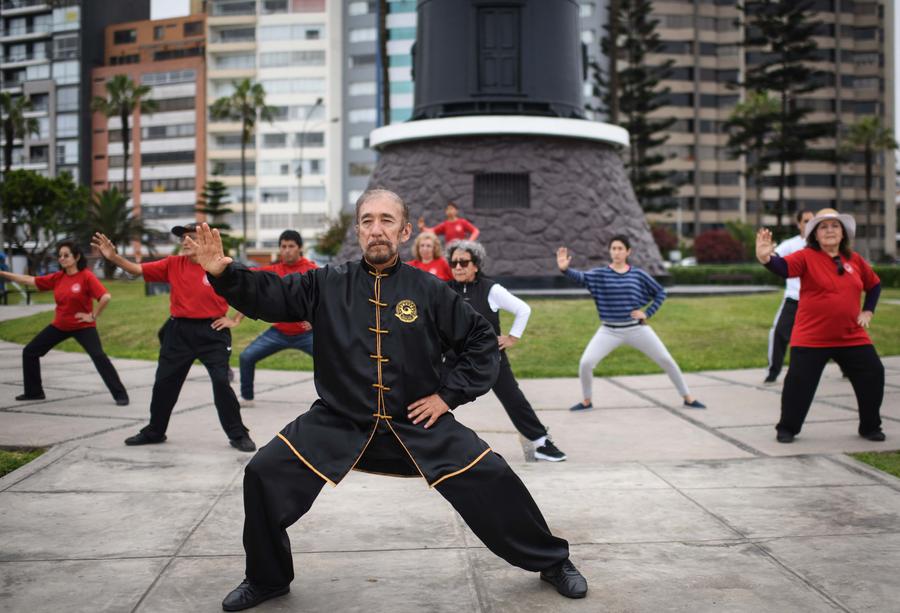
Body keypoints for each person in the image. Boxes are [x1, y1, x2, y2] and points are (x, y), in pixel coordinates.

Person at [189, 188, 587, 611]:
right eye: (367, 221)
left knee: (493, 476)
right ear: (358, 230)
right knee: (264, 472)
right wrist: (224, 273)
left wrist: (447, 396)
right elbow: (270, 294)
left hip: (417, 423)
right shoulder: (325, 283)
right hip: (339, 420)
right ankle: (267, 578)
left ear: (404, 231)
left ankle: (552, 560)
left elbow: (480, 341)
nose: (376, 230)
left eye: (386, 220)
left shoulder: (430, 290)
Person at [91, 223, 256, 452]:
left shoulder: (220, 265)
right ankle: (155, 431)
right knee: (164, 383)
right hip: (179, 332)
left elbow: (248, 293)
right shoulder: (172, 264)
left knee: (221, 381)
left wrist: (234, 320)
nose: (186, 241)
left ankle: (238, 434)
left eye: (192, 237)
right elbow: (136, 269)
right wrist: (114, 257)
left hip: (213, 332)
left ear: (205, 241)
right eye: (183, 238)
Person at [755, 208, 884, 443]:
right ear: (814, 234)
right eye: (823, 227)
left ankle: (870, 427)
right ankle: (787, 428)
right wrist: (766, 257)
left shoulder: (854, 260)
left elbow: (874, 285)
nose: (830, 230)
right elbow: (782, 268)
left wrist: (868, 310)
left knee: (873, 374)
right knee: (798, 385)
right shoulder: (806, 256)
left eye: (835, 226)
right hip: (812, 338)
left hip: (851, 336)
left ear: (843, 233)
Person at [446, 240, 567, 462]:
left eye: (463, 262)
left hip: (489, 358)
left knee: (514, 399)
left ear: (476, 264)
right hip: (456, 359)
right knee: (432, 396)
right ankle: (418, 442)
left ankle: (541, 442)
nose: (458, 267)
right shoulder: (445, 289)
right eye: (453, 263)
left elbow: (523, 309)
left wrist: (512, 337)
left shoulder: (491, 289)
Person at [558, 235, 705, 411]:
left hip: (637, 329)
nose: (617, 252)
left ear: (628, 252)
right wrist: (565, 270)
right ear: (610, 251)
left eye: (620, 248)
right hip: (609, 331)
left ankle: (688, 397)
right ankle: (587, 401)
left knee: (666, 360)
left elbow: (660, 293)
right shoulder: (600, 274)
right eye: (613, 248)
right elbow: (580, 277)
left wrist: (647, 313)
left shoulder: (638, 274)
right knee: (586, 363)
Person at [0, 241, 129, 404]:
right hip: (60, 325)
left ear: (76, 257)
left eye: (66, 255)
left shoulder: (86, 276)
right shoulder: (58, 277)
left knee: (99, 356)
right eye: (60, 256)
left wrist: (93, 316)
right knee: (30, 352)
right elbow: (29, 280)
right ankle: (34, 392)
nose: (62, 258)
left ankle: (120, 395)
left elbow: (105, 297)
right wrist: (4, 274)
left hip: (83, 327)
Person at [236, 230, 317, 405]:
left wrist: (314, 320)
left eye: (291, 246)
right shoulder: (273, 271)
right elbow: (249, 283)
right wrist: (236, 318)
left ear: (300, 248)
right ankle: (247, 397)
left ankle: (332, 401)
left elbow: (326, 299)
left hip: (307, 335)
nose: (287, 250)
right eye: (283, 246)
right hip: (279, 333)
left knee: (332, 360)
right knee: (246, 357)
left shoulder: (312, 270)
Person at [764, 209, 815, 384]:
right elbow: (773, 258)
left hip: (817, 301)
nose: (810, 224)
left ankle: (847, 368)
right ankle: (773, 372)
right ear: (799, 224)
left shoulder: (823, 245)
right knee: (778, 333)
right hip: (794, 299)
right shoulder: (790, 244)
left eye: (813, 221)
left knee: (834, 333)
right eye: (806, 221)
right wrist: (766, 252)